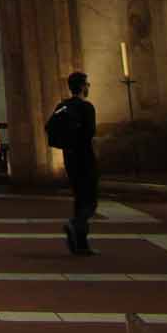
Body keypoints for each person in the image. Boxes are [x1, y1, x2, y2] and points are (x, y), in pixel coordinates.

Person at [49, 69, 99, 256]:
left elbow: (49, 127)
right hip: (85, 156)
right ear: (82, 87)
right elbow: (90, 132)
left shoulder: (62, 106)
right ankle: (76, 224)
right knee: (91, 200)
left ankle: (81, 244)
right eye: (87, 84)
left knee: (80, 197)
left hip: (69, 156)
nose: (88, 87)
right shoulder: (87, 107)